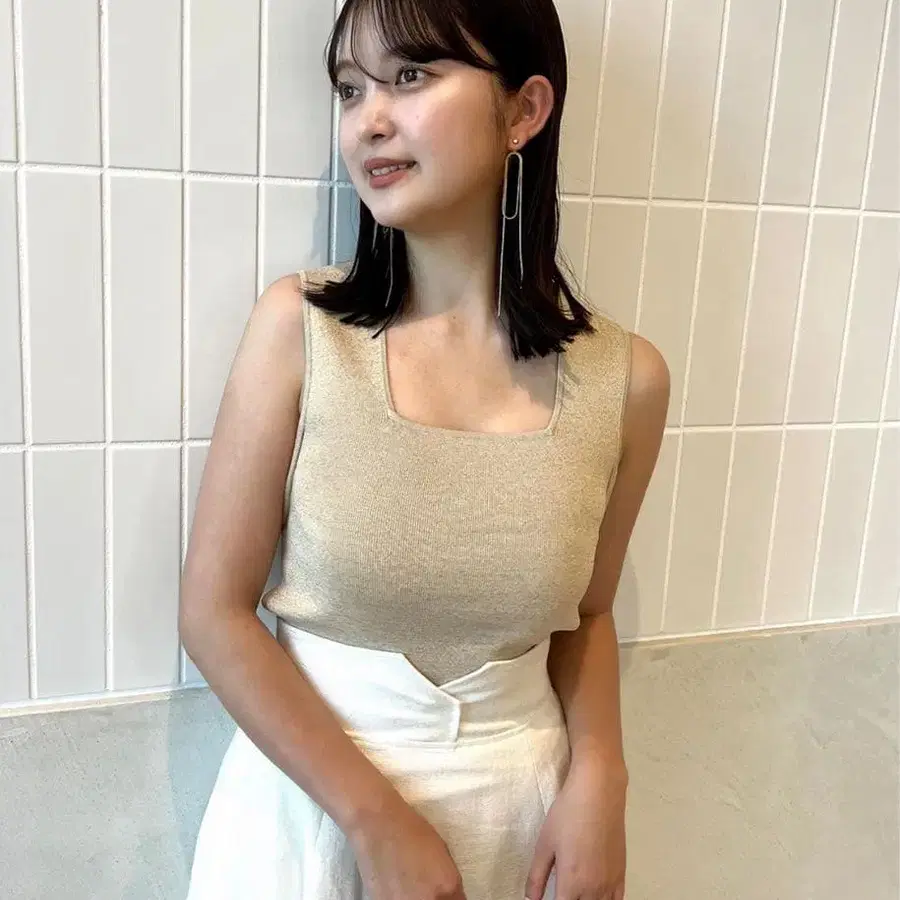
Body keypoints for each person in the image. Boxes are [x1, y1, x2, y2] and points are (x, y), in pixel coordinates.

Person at [179, 0, 669, 898]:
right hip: (309, 816)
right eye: (349, 87)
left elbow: (587, 616)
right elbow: (213, 614)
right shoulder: (300, 332)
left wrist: (603, 776)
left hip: (523, 819)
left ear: (524, 109)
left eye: (410, 76)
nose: (368, 120)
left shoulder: (626, 382)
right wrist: (374, 817)